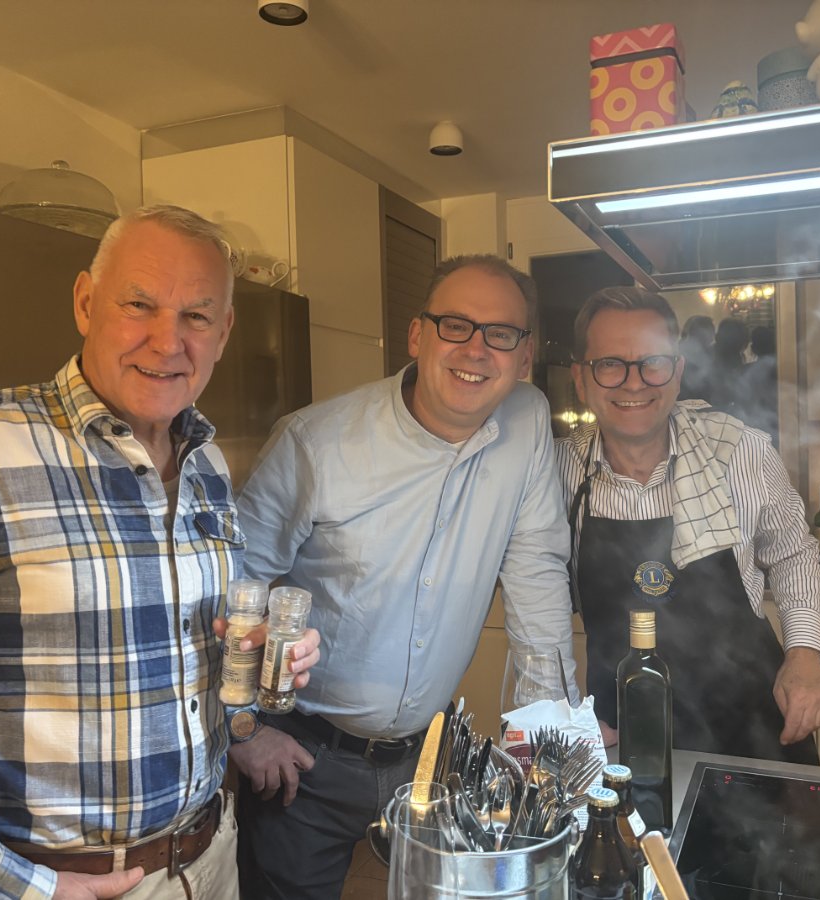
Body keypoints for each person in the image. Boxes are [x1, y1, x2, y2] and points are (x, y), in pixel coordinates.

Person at [0, 205, 322, 900]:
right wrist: (12, 889)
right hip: (48, 880)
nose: (168, 341)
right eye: (139, 305)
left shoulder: (207, 463)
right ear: (86, 303)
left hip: (211, 861)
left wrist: (254, 664)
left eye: (196, 316)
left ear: (224, 332)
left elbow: (172, 664)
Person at [234, 254, 579, 899]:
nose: (476, 349)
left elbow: (536, 569)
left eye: (501, 333)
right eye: (456, 325)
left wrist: (547, 733)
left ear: (525, 355)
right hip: (303, 759)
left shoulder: (527, 420)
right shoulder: (315, 442)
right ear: (418, 336)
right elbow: (230, 586)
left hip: (429, 763)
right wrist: (243, 731)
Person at [557, 285, 820, 765]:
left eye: (653, 363)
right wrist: (557, 707)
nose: (634, 383)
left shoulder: (739, 451)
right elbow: (537, 594)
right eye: (610, 364)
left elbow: (793, 553)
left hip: (752, 728)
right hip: (623, 733)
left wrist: (804, 656)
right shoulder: (557, 471)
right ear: (580, 379)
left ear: (678, 372)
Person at [678, 314, 715, 403]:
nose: (712, 338)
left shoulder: (708, 353)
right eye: (711, 332)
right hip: (686, 402)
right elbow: (692, 383)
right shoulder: (681, 353)